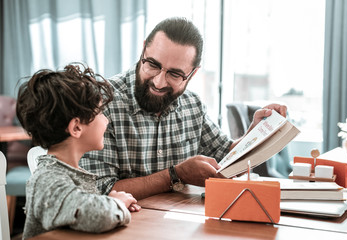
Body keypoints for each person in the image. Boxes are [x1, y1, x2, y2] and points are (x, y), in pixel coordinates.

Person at [80, 17, 287, 200]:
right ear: (143, 49)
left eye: (175, 74)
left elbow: (225, 157)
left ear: (193, 74)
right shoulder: (101, 102)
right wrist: (175, 175)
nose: (159, 82)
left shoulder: (192, 104)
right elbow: (99, 190)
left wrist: (254, 134)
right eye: (152, 64)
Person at [16, 63, 141, 239]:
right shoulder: (47, 179)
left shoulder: (72, 173)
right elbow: (95, 216)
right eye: (100, 113)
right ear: (76, 128)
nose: (106, 120)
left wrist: (109, 202)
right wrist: (115, 203)